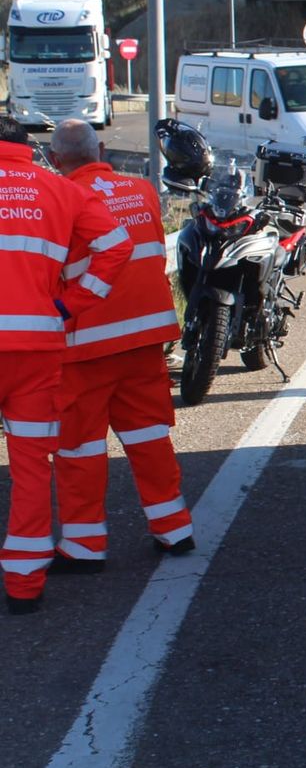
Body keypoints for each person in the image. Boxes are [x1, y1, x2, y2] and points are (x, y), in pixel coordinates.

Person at [47, 121, 193, 574]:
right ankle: (174, 529)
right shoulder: (141, 190)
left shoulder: (61, 199)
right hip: (147, 338)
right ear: (102, 149)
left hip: (88, 344)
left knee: (79, 448)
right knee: (150, 436)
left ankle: (85, 546)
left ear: (54, 160)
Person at [0, 115, 132, 614]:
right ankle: (25, 585)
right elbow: (116, 246)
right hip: (37, 347)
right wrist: (71, 303)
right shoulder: (59, 189)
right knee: (31, 467)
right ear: (25, 149)